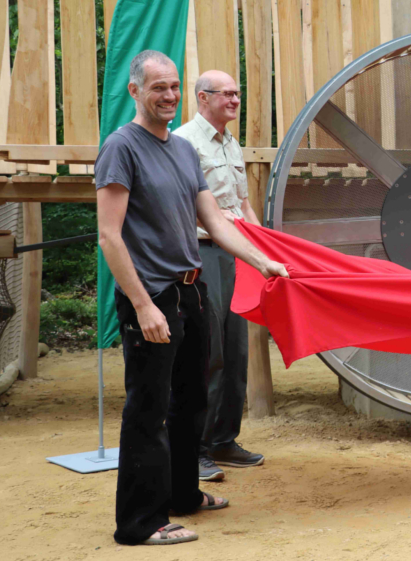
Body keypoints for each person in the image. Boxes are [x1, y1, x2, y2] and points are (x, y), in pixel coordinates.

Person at [96, 50, 288, 545]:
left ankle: (183, 495)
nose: (169, 96)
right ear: (135, 90)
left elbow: (217, 219)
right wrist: (141, 304)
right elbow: (110, 237)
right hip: (152, 295)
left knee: (190, 402)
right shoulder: (122, 147)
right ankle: (139, 523)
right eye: (158, 87)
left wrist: (261, 258)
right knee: (148, 407)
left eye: (174, 86)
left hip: (190, 291)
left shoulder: (183, 151)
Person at [174, 70, 263, 482]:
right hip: (201, 250)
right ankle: (195, 449)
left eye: (237, 94)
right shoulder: (184, 143)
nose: (234, 100)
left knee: (235, 347)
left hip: (235, 253)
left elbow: (242, 205)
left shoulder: (230, 143)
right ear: (202, 98)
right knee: (206, 350)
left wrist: (264, 251)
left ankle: (224, 439)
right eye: (226, 94)